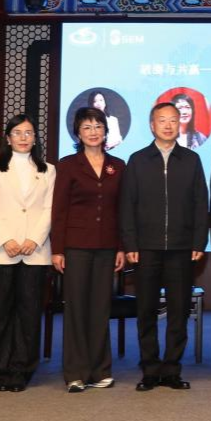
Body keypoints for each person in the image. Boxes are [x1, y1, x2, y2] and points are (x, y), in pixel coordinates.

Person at [120, 102, 209, 391]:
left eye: (173, 120)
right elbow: (127, 204)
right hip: (146, 247)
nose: (168, 125)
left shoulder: (191, 159)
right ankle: (149, 369)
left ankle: (171, 369)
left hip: (182, 248)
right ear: (152, 125)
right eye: (162, 120)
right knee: (146, 310)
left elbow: (201, 202)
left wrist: (199, 241)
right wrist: (130, 243)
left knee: (178, 311)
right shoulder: (137, 160)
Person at [52, 106, 126, 393]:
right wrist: (58, 249)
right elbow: (59, 210)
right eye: (87, 127)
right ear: (78, 133)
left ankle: (100, 370)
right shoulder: (68, 164)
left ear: (105, 131)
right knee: (76, 309)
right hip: (76, 247)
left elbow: (121, 210)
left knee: (100, 308)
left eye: (98, 126)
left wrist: (121, 247)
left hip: (107, 247)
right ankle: (75, 373)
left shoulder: (117, 166)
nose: (93, 132)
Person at [0, 114, 55, 392]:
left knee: (29, 314)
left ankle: (21, 372)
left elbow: (49, 209)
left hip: (35, 252)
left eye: (29, 133)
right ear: (8, 138)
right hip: (1, 251)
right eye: (18, 133)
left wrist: (34, 239)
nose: (23, 137)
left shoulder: (48, 170)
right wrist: (5, 239)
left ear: (35, 138)